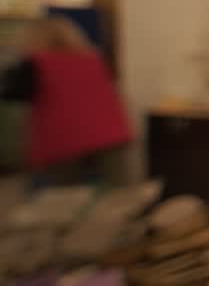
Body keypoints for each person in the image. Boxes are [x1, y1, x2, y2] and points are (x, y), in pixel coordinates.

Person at [1, 16, 131, 181]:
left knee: (64, 199)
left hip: (64, 143)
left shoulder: (34, 65)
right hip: (110, 137)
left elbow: (12, 96)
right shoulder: (93, 61)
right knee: (115, 198)